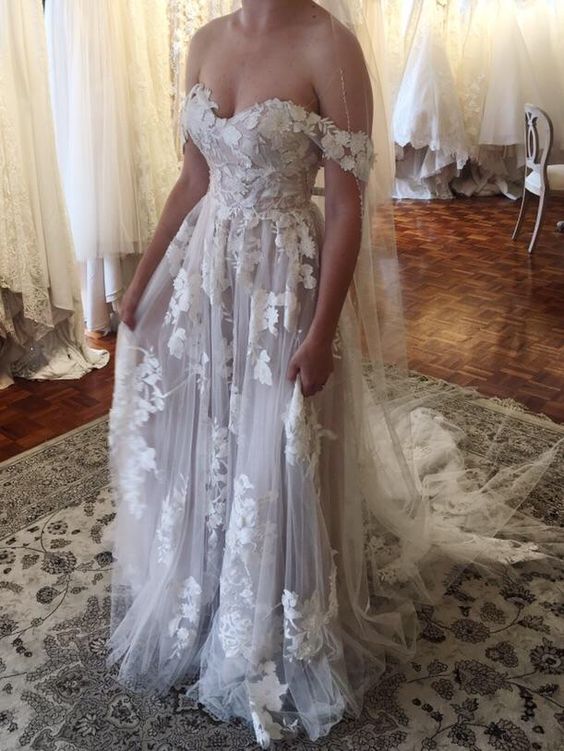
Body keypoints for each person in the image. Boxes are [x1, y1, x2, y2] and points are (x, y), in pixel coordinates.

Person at [106, 2, 561, 747]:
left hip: (285, 282)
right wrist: (143, 280)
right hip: (209, 278)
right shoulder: (204, 42)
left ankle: (270, 620)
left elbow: (347, 208)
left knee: (276, 453)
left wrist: (321, 333)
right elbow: (191, 180)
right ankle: (210, 586)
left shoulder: (331, 46)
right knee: (212, 440)